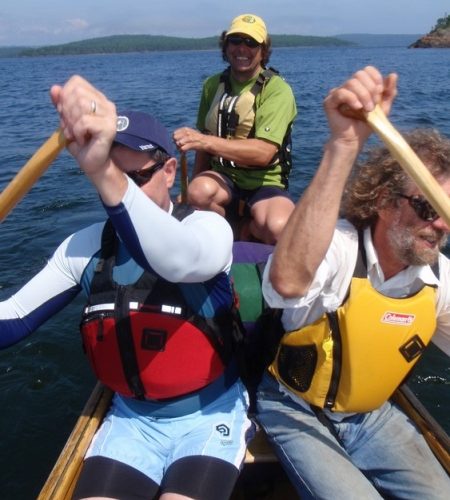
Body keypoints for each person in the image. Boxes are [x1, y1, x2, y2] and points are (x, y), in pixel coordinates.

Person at [0, 76, 254, 500]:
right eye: (108, 176)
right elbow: (12, 322)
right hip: (131, 421)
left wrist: (102, 171)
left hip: (208, 415)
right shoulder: (84, 247)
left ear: (170, 171)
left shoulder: (207, 228)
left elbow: (175, 259)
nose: (116, 191)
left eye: (132, 177)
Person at [256, 65, 450, 499]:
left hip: (372, 413)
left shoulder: (439, 276)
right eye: (426, 206)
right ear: (385, 202)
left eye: (445, 212)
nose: (438, 224)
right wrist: (345, 145)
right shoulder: (340, 247)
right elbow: (286, 282)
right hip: (294, 407)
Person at [173, 13, 297, 244]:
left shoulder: (277, 90)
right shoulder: (213, 85)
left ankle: (248, 227)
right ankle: (229, 226)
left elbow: (264, 153)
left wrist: (204, 141)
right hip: (223, 177)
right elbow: (204, 142)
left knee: (279, 228)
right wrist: (191, 193)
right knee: (197, 194)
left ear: (263, 50)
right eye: (236, 40)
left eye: (251, 43)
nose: (242, 48)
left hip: (264, 182)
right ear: (226, 45)